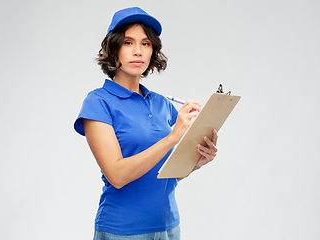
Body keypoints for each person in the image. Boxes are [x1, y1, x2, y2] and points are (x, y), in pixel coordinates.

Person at [74, 7, 218, 240]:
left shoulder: (162, 104)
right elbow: (117, 175)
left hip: (169, 227)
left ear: (153, 51)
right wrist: (172, 137)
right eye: (129, 43)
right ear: (114, 49)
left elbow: (165, 173)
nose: (138, 51)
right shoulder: (98, 102)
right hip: (123, 231)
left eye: (146, 43)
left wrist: (197, 161)